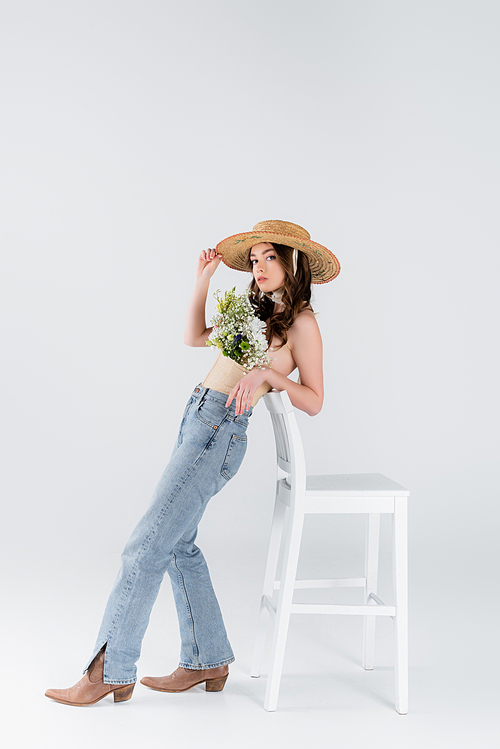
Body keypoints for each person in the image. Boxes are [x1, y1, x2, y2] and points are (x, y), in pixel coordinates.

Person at [45, 219, 340, 706]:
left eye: (269, 257)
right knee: (177, 543)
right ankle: (207, 659)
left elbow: (314, 400)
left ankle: (108, 670)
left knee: (146, 546)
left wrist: (269, 372)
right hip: (198, 416)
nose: (259, 266)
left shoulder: (303, 323)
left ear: (293, 263)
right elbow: (194, 337)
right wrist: (202, 281)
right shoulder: (255, 308)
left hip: (219, 430)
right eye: (253, 259)